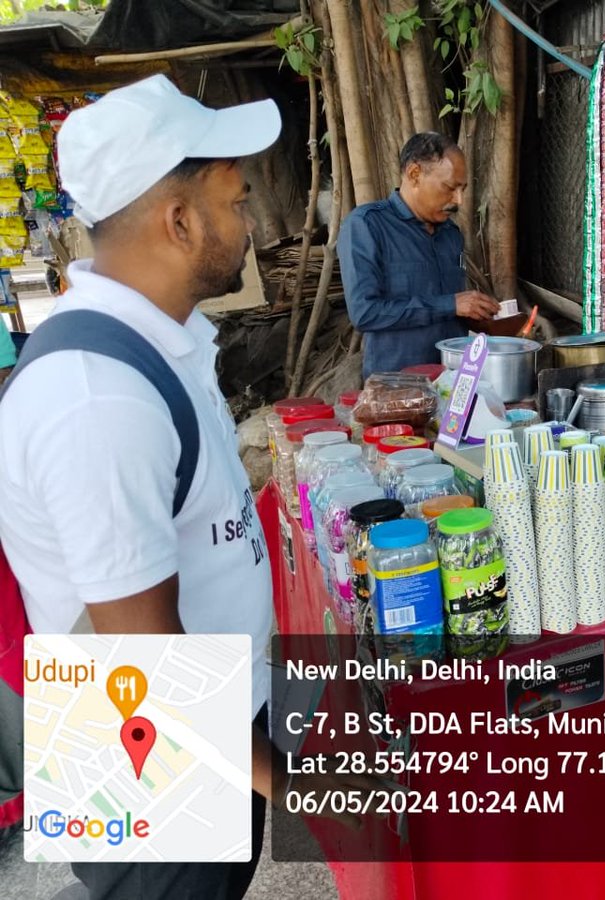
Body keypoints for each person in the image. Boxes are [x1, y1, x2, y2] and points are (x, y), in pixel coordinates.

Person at [0, 75, 371, 900]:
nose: (248, 224)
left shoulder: (161, 343)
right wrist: (310, 793)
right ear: (178, 220)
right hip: (144, 766)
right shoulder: (97, 399)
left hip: (208, 737)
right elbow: (143, 663)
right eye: (237, 201)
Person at [339, 132, 500, 377]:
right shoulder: (367, 225)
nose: (458, 200)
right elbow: (365, 313)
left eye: (462, 189)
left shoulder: (451, 234)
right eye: (450, 188)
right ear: (414, 174)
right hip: (397, 385)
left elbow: (453, 311)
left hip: (453, 379)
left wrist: (484, 317)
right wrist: (450, 304)